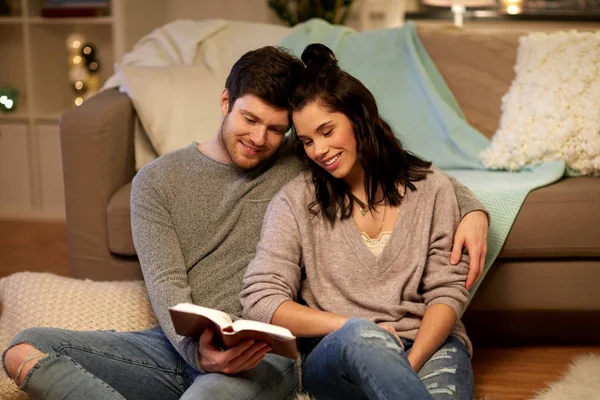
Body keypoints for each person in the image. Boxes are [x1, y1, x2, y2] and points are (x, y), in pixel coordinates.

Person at [3, 45, 485, 400]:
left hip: (261, 354)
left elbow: (393, 167)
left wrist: (473, 209)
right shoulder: (156, 182)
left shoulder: (302, 156)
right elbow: (168, 288)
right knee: (24, 349)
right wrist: (198, 354)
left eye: (276, 129)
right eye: (249, 120)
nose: (260, 139)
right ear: (224, 102)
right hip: (180, 347)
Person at [241, 44, 480, 400]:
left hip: (428, 346)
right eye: (306, 141)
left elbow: (446, 292)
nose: (318, 150)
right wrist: (353, 327)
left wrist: (406, 367)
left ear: (359, 119)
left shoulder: (433, 189)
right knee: (362, 338)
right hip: (338, 352)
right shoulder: (295, 201)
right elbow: (261, 301)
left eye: (327, 131)